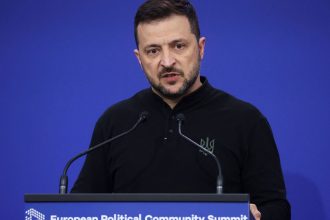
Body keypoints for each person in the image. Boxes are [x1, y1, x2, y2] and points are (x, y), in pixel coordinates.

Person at [71, 0, 290, 219]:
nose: (167, 61)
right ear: (139, 59)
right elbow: (78, 209)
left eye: (178, 46)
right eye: (153, 50)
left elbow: (275, 207)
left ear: (201, 48)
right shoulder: (115, 122)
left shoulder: (246, 120)